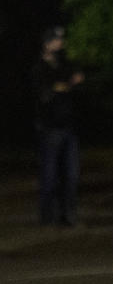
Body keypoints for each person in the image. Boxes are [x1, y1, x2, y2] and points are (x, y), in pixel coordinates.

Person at [31, 25, 84, 226]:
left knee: (71, 175)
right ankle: (47, 216)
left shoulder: (64, 64)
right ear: (46, 44)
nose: (59, 43)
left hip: (68, 127)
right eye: (55, 40)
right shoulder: (39, 68)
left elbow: (75, 83)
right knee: (49, 175)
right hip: (49, 128)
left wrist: (67, 85)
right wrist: (66, 86)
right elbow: (46, 94)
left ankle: (68, 214)